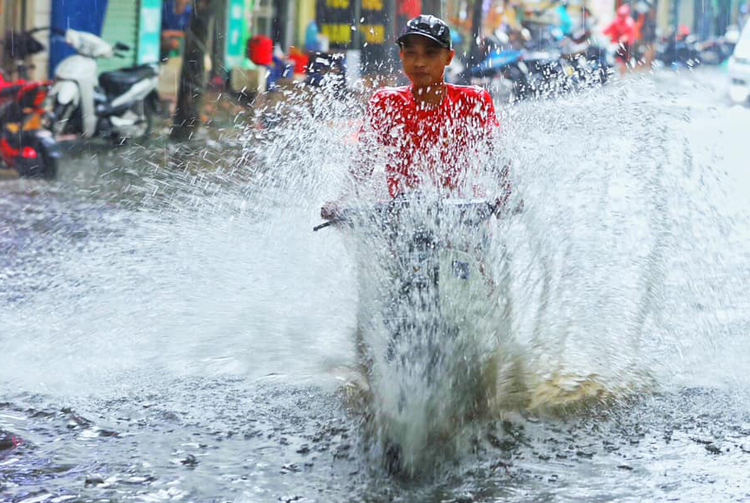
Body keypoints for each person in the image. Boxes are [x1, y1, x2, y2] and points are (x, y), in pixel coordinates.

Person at [321, 15, 509, 220]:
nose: (419, 62)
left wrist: (507, 195)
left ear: (448, 57)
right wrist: (341, 202)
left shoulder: (473, 101)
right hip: (402, 222)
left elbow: (496, 156)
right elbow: (363, 163)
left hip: (463, 218)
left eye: (430, 53)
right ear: (401, 56)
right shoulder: (385, 103)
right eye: (411, 53)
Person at [603, 4, 636, 75]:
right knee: (613, 58)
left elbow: (631, 34)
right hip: (615, 44)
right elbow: (607, 30)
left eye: (623, 15)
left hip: (626, 45)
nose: (621, 17)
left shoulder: (629, 22)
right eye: (620, 15)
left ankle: (622, 76)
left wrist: (625, 38)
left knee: (623, 61)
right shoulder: (616, 21)